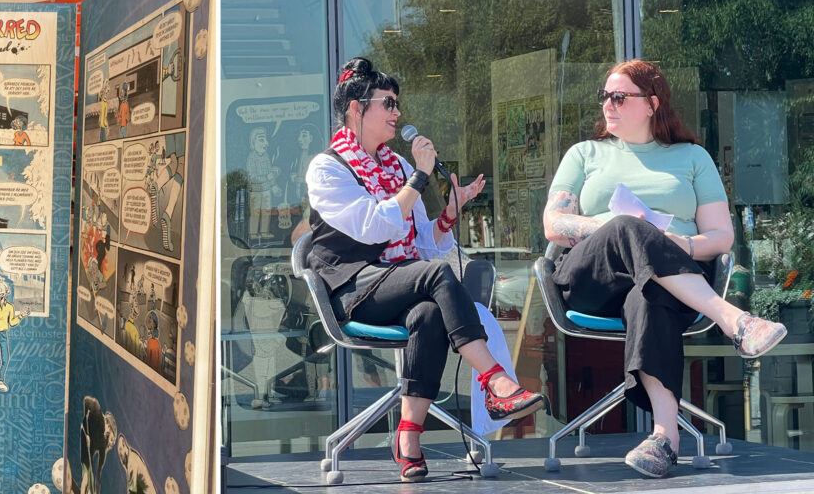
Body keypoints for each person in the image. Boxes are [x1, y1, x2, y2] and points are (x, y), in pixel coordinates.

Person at [542, 59, 788, 478]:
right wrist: (610, 225)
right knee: (628, 226)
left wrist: (679, 244)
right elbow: (553, 224)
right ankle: (734, 320)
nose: (608, 104)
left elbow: (720, 237)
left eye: (619, 96)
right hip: (591, 278)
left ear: (652, 103)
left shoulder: (691, 157)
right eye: (605, 96)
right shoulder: (585, 153)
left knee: (651, 293)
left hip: (669, 283)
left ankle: (663, 437)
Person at [306, 57, 544, 482]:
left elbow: (421, 244)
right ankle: (496, 382)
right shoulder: (328, 167)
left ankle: (409, 435)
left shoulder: (395, 167)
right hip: (352, 289)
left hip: (397, 283)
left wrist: (450, 212)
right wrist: (419, 177)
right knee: (435, 276)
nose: (398, 113)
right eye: (389, 103)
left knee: (430, 313)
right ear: (357, 108)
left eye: (398, 103)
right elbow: (372, 224)